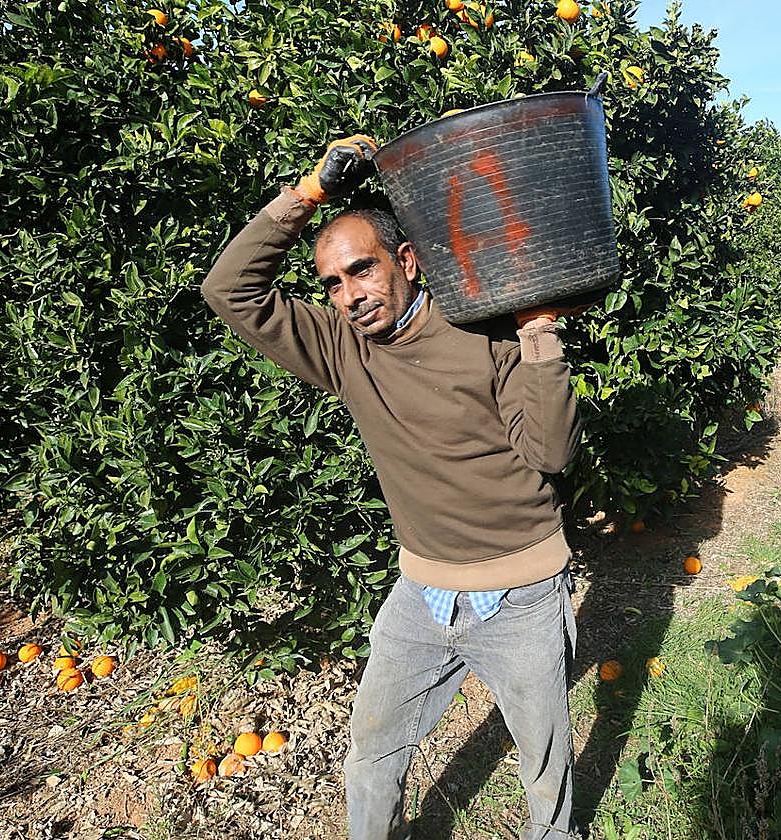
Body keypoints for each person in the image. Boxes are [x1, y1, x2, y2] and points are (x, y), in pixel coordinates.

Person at [201, 135, 585, 839]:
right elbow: (227, 290)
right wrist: (308, 194)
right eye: (333, 284)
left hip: (523, 593)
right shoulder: (341, 346)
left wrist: (540, 339)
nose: (349, 296)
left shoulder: (483, 329)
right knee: (371, 756)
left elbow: (552, 453)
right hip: (422, 597)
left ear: (406, 261)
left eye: (362, 271)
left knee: (544, 773)